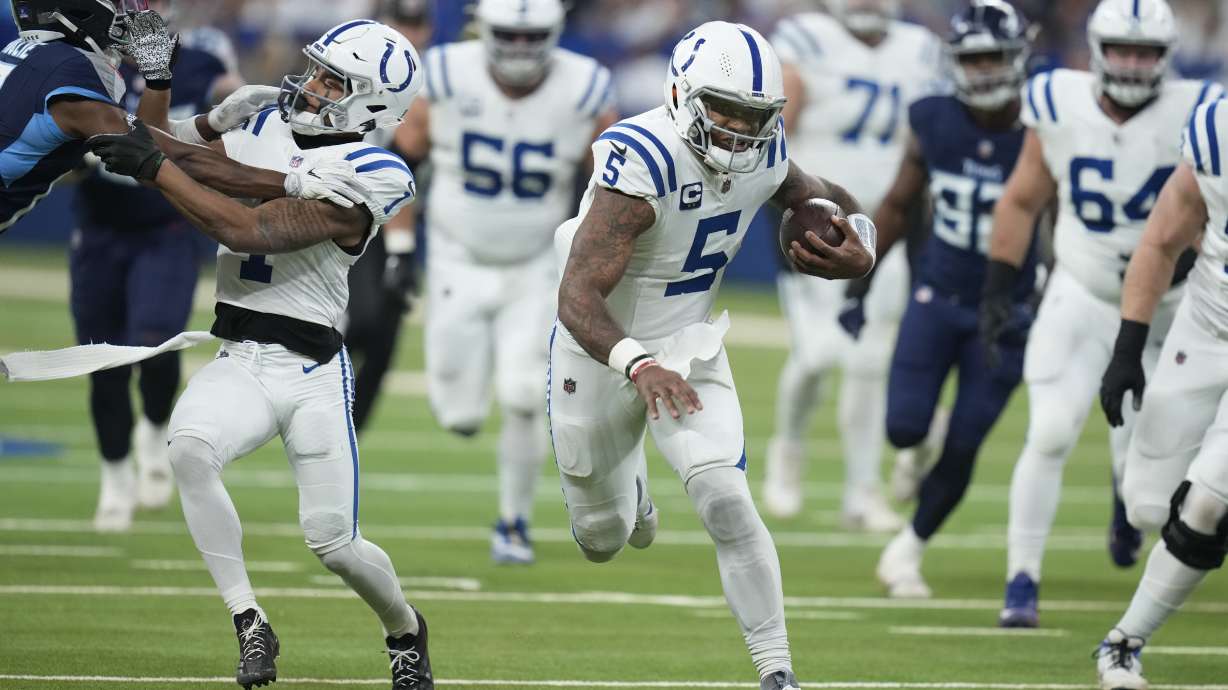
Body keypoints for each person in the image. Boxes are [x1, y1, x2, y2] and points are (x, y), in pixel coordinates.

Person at [88, 19, 434, 690]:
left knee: (335, 544)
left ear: (372, 102)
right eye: (318, 68)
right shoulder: (262, 122)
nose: (313, 83)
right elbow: (158, 144)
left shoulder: (377, 170)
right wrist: (162, 87)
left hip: (311, 372)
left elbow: (246, 222)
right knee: (189, 447)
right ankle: (249, 620)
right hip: (242, 353)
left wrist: (161, 165)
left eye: (335, 78)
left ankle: (404, 629)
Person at [550, 21, 876, 690]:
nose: (737, 129)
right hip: (599, 347)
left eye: (754, 115)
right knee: (601, 537)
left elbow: (823, 200)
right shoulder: (641, 158)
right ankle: (631, 488)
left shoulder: (765, 149)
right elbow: (578, 297)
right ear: (680, 94)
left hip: (689, 343)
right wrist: (639, 365)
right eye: (724, 109)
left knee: (726, 499)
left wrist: (859, 242)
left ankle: (777, 670)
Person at [981, 0, 1223, 628]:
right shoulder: (1058, 101)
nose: (1134, 63)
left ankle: (1126, 495)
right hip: (1081, 291)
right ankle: (1021, 580)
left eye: (1146, 52)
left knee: (1147, 486)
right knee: (1052, 430)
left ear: (1167, 57)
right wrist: (998, 288)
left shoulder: (1199, 110)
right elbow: (1021, 199)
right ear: (1096, 47)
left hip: (1174, 307)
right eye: (1122, 49)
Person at [395, 0, 617, 564]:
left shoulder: (586, 86)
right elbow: (400, 161)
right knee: (460, 415)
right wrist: (398, 247)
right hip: (456, 256)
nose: (520, 49)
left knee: (524, 394)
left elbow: (614, 184)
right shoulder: (444, 71)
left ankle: (513, 523)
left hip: (536, 264)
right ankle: (474, 429)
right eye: (509, 36)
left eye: (533, 36)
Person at [843, 0, 1038, 598]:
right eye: (973, 59)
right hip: (938, 291)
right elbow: (900, 203)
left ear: (1017, 57)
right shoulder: (933, 117)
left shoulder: (1045, 124)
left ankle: (909, 549)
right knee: (904, 427)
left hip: (1007, 309)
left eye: (993, 58)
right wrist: (862, 280)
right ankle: (921, 444)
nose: (982, 72)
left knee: (967, 440)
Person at [762, 0, 943, 530]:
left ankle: (862, 494)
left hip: (881, 232)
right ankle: (788, 449)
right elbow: (776, 131)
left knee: (867, 361)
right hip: (813, 223)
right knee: (818, 355)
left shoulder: (920, 49)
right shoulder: (806, 40)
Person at [71, 0, 247, 533]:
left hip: (166, 225)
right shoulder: (84, 61)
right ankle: (114, 476)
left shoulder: (204, 54)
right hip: (102, 228)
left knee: (154, 341)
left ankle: (152, 428)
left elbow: (227, 103)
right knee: (101, 361)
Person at [1091, 96, 1228, 690]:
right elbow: (1162, 240)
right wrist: (1129, 346)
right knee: (1149, 506)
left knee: (1206, 505)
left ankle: (1122, 643)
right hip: (1204, 327)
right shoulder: (1216, 134)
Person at [1, 0, 175, 233]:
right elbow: (146, 151)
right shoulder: (75, 68)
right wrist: (159, 82)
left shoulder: (24, 50)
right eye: (116, 4)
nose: (126, 14)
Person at [342, 0, 433, 433]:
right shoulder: (358, 69)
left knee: (384, 338)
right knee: (359, 320)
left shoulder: (444, 78)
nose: (411, 32)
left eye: (417, 23)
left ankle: (348, 437)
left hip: (412, 218)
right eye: (402, 21)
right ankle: (317, 403)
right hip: (356, 213)